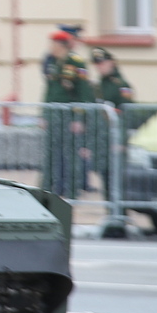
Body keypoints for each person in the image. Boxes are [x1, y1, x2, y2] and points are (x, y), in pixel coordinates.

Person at [41, 29, 95, 198]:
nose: (50, 47)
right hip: (54, 116)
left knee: (71, 154)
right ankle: (47, 189)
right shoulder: (52, 63)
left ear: (61, 46)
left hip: (70, 117)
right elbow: (49, 91)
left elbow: (84, 94)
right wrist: (44, 115)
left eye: (53, 44)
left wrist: (79, 118)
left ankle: (72, 191)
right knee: (51, 153)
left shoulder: (76, 63)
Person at [86, 47, 139, 194]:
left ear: (111, 63)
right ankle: (112, 214)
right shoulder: (98, 86)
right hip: (102, 141)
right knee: (106, 182)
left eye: (102, 63)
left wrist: (121, 141)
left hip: (115, 141)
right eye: (97, 64)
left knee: (118, 183)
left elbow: (126, 115)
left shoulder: (120, 86)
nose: (99, 67)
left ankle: (120, 215)